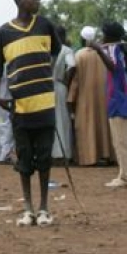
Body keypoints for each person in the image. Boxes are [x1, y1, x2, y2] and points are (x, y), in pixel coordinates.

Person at [0, 0, 60, 227]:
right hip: (19, 108)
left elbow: (55, 53)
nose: (38, 1)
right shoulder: (3, 33)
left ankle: (44, 208)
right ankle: (28, 208)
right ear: (20, 0)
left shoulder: (45, 25)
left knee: (44, 158)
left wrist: (42, 75)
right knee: (24, 159)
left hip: (45, 105)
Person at [91, 21, 127, 188]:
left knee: (121, 140)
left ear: (109, 36)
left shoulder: (113, 49)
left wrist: (98, 50)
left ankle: (125, 176)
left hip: (117, 98)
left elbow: (113, 67)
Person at [67, 26, 112, 166]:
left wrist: (70, 98)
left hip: (85, 98)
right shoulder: (105, 53)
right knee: (103, 126)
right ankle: (105, 155)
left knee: (87, 126)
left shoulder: (79, 55)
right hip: (104, 97)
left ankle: (89, 157)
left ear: (82, 39)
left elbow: (75, 80)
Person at [51, 26, 76, 162]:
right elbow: (72, 65)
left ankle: (51, 153)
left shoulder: (46, 48)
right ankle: (63, 153)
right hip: (60, 86)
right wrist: (66, 80)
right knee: (63, 119)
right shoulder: (66, 50)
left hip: (46, 87)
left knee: (51, 119)